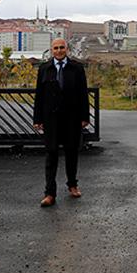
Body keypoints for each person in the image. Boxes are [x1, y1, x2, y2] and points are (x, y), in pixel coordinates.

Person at [33, 38, 90, 207]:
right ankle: (49, 193)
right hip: (51, 119)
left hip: (71, 118)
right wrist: (37, 118)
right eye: (56, 48)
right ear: (52, 50)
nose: (59, 51)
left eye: (62, 48)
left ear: (67, 49)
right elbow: (39, 95)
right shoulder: (45, 69)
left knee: (71, 152)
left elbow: (83, 93)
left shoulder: (76, 68)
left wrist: (84, 117)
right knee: (51, 154)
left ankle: (72, 185)